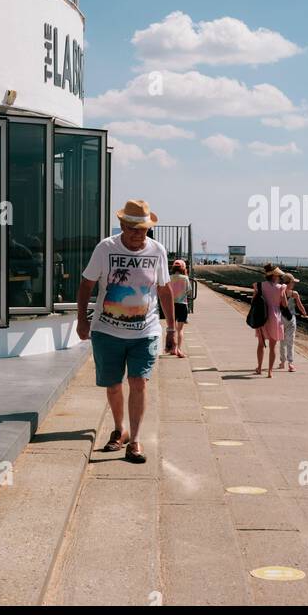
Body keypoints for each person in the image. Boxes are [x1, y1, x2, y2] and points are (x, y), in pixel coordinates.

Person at [76, 198, 175, 464]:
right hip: (106, 331)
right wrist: (81, 320)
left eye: (142, 229)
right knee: (113, 385)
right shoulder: (105, 248)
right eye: (131, 228)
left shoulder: (157, 251)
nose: (136, 234)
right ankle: (120, 429)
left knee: (139, 382)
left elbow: (164, 290)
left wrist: (172, 329)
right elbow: (86, 284)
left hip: (146, 331)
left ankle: (135, 441)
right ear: (121, 225)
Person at [251, 265, 288, 378]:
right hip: (275, 317)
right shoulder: (281, 287)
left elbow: (253, 301)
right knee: (273, 346)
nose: (280, 277)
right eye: (279, 275)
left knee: (261, 344)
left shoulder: (259, 285)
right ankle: (270, 371)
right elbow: (285, 304)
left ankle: (259, 368)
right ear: (274, 275)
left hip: (262, 317)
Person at [279, 273, 306, 371]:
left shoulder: (279, 292)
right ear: (289, 283)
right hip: (291, 319)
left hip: (280, 318)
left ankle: (282, 362)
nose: (294, 284)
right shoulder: (294, 293)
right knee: (290, 341)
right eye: (293, 282)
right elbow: (300, 306)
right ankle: (290, 364)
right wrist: (304, 313)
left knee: (282, 341)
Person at [166, 258, 191, 357]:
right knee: (180, 329)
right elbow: (189, 290)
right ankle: (178, 349)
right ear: (183, 268)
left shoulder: (169, 277)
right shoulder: (185, 278)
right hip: (182, 305)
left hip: (171, 305)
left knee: (171, 328)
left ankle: (172, 348)